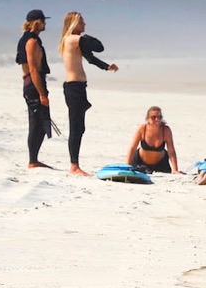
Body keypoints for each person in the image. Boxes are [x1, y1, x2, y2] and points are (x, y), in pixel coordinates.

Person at [58, 11, 118, 176]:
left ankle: (75, 164)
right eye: (81, 22)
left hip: (78, 87)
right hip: (74, 88)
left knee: (80, 127)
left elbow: (91, 58)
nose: (84, 25)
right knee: (75, 127)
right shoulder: (73, 39)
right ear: (73, 24)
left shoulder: (74, 41)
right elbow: (99, 46)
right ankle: (74, 166)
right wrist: (86, 37)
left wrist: (107, 67)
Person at [17, 9, 53, 169]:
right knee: (37, 122)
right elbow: (33, 69)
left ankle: (34, 159)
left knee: (43, 123)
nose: (45, 23)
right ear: (36, 22)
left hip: (34, 83)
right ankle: (32, 160)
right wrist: (42, 94)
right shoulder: (31, 42)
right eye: (43, 21)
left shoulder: (31, 39)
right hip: (33, 85)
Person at [126, 106, 181, 174]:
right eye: (153, 117)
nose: (157, 119)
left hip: (161, 163)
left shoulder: (166, 130)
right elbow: (132, 148)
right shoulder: (142, 129)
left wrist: (175, 169)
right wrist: (127, 166)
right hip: (140, 162)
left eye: (159, 117)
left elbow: (171, 151)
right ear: (148, 119)